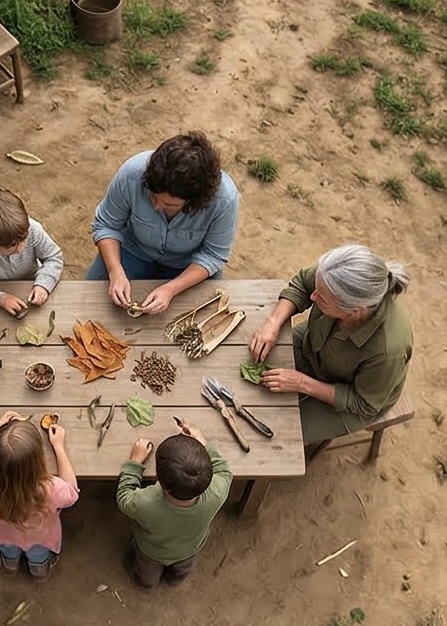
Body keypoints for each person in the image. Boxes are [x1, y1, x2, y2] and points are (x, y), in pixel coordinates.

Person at [248, 244, 413, 446]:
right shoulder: (333, 277)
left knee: (276, 433)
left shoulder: (388, 350)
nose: (313, 298)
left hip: (349, 397)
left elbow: (363, 403)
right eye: (317, 290)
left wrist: (302, 383)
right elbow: (302, 284)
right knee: (249, 359)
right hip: (314, 344)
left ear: (355, 310)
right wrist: (272, 323)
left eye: (322, 299)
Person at [86, 131, 239, 315]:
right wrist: (115, 271)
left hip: (188, 266)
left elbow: (213, 255)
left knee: (201, 324)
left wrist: (171, 289)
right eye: (152, 197)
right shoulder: (132, 174)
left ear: (195, 200)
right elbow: (106, 224)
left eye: (169, 204)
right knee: (87, 306)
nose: (157, 207)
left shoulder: (224, 200)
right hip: (132, 251)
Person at [0, 412, 79, 581]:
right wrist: (59, 447)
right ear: (38, 461)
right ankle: (39, 573)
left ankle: (10, 565)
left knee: (7, 550)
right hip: (39, 536)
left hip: (2, 534)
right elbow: (72, 492)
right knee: (38, 555)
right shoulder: (50, 489)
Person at [116, 423, 232, 589]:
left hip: (151, 553)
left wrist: (134, 462)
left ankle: (146, 584)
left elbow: (123, 497)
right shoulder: (216, 493)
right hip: (189, 550)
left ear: (159, 480)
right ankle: (174, 580)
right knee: (182, 571)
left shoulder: (146, 504)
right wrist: (203, 444)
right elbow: (225, 471)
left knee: (147, 577)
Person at [0, 187, 64, 316]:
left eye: (23, 239)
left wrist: (43, 284)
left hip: (31, 284)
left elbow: (53, 257)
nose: (20, 249)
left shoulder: (33, 229)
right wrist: (0, 299)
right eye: (10, 246)